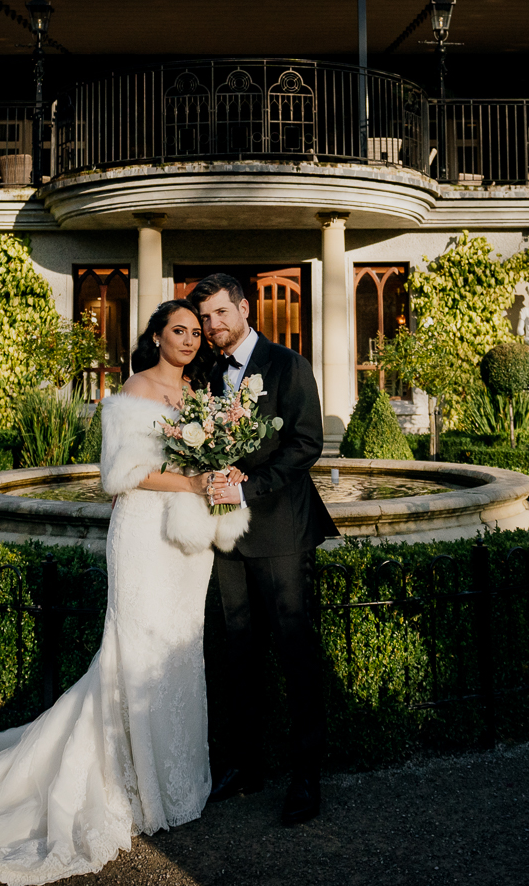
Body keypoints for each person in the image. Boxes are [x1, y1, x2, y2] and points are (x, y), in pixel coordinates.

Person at [0, 299, 243, 885]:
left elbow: (207, 458)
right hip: (143, 539)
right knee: (132, 652)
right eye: (177, 330)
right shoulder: (134, 389)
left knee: (178, 650)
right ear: (156, 336)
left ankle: (177, 780)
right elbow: (117, 475)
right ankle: (133, 786)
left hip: (187, 548)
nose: (189, 339)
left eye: (194, 332)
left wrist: (224, 471)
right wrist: (195, 478)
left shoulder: (200, 396)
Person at [189, 272, 335, 827]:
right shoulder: (204, 372)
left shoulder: (288, 365)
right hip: (225, 538)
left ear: (245, 309)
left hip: (279, 531)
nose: (212, 326)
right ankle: (247, 767)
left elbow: (306, 444)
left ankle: (305, 776)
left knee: (295, 655)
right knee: (239, 654)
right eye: (204, 318)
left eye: (221, 314)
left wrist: (247, 487)